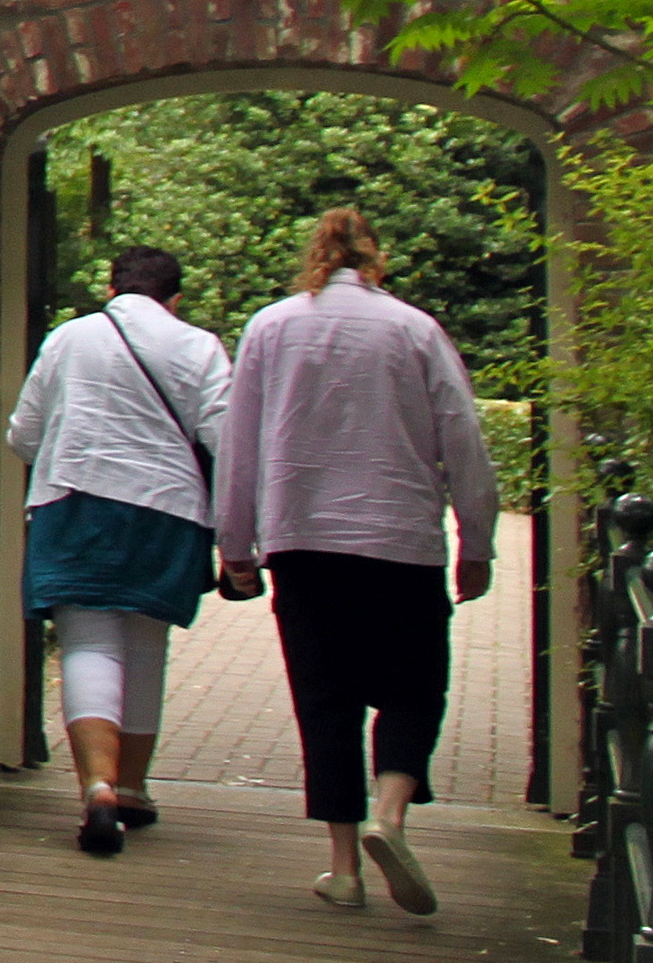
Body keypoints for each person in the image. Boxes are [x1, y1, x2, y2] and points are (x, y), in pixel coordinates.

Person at [214, 204, 501, 915]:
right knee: (413, 686)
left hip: (304, 541)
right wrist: (477, 538)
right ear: (376, 260)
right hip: (400, 540)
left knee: (326, 702)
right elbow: (462, 435)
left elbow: (239, 440)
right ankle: (392, 814)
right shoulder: (415, 328)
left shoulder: (270, 327)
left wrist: (234, 544)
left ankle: (344, 869)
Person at [6, 243, 233, 857]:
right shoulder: (200, 346)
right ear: (174, 297)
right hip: (168, 509)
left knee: (87, 642)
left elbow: (23, 433)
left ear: (111, 290)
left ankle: (97, 787)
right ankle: (133, 785)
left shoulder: (69, 338)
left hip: (74, 501)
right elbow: (225, 440)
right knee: (144, 645)